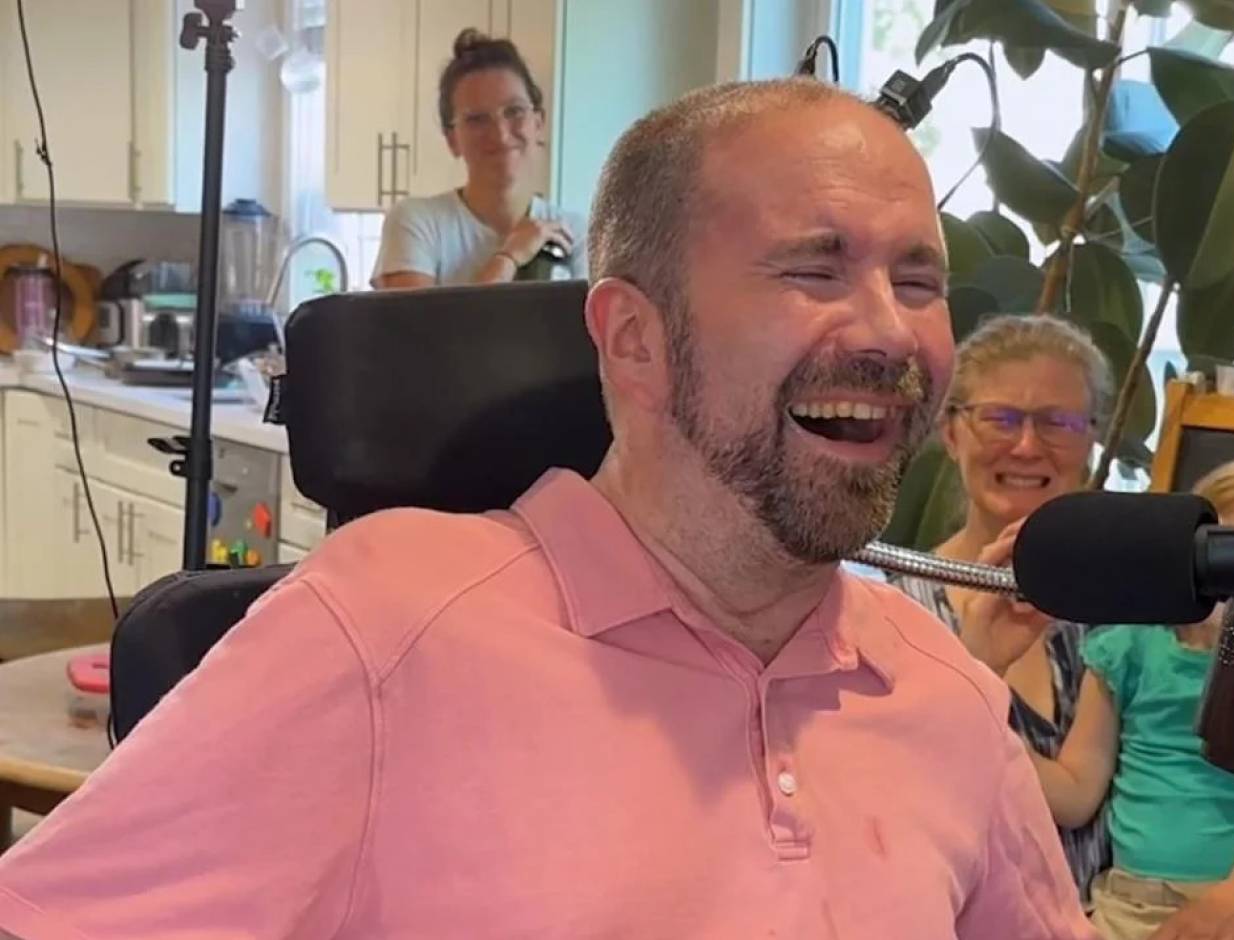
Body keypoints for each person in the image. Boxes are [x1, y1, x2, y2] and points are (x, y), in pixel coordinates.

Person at [0, 79, 1094, 938]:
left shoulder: (944, 690)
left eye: (917, 283)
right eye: (814, 270)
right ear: (633, 341)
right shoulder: (383, 635)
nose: (893, 335)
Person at [1032, 455, 1234, 940]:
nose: (1230, 584)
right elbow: (1076, 789)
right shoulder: (1128, 648)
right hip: (1130, 906)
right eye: (1217, 554)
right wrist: (992, 735)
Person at [880, 314, 1114, 906]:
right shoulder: (884, 608)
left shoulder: (1128, 612)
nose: (1028, 446)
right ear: (951, 432)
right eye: (1001, 418)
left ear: (1091, 440)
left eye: (1057, 423)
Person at [371, 29, 586, 288]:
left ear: (538, 123)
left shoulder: (574, 232)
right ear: (452, 140)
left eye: (514, 111)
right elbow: (421, 329)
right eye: (477, 120)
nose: (501, 135)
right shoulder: (416, 222)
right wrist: (508, 257)